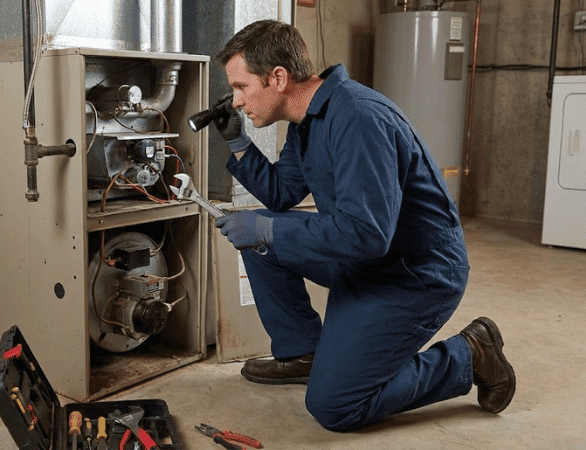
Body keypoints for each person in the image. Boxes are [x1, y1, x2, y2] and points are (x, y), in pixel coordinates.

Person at [211, 20, 516, 431]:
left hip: (412, 275)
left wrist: (268, 231)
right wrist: (239, 142)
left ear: (278, 78)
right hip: (366, 259)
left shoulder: (356, 117)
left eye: (241, 87)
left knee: (334, 405)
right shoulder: (309, 121)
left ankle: (470, 353)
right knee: (263, 231)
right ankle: (305, 353)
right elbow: (282, 194)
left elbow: (367, 234)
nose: (236, 102)